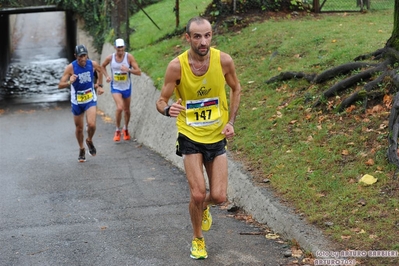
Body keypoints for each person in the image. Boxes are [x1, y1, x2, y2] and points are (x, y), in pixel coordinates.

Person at [155, 17, 241, 260]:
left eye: (208, 35)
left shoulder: (223, 61)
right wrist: (166, 109)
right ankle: (197, 239)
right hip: (190, 134)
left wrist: (231, 121)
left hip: (216, 136)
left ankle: (203, 209)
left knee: (219, 196)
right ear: (188, 38)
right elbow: (161, 100)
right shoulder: (177, 67)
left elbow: (236, 88)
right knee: (197, 193)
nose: (203, 42)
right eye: (197, 36)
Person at [58, 44, 105, 162]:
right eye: (80, 56)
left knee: (92, 124)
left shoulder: (92, 64)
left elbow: (101, 70)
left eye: (84, 56)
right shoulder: (71, 68)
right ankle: (81, 148)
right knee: (79, 128)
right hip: (77, 102)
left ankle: (89, 140)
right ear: (75, 56)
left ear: (87, 55)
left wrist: (100, 85)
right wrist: (69, 82)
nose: (83, 59)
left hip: (90, 99)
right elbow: (60, 85)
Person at [101, 38, 141, 142]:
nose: (120, 50)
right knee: (119, 108)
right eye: (118, 48)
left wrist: (128, 70)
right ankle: (117, 130)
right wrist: (107, 76)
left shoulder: (129, 57)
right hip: (116, 87)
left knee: (127, 110)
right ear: (115, 47)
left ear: (124, 47)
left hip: (126, 87)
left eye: (122, 47)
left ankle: (125, 129)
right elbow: (102, 66)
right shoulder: (111, 58)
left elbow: (138, 72)